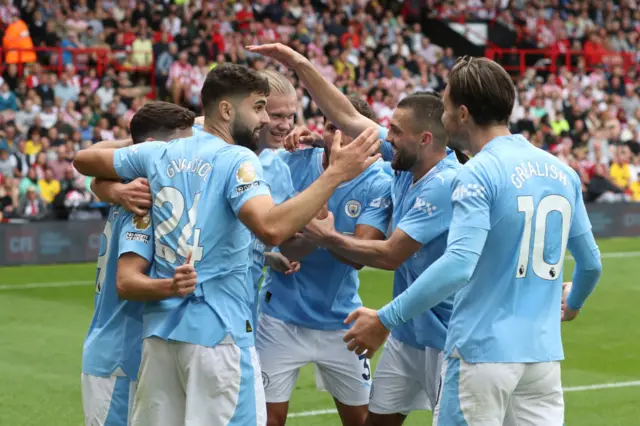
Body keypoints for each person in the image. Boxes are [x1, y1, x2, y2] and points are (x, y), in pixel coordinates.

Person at [73, 63, 381, 426]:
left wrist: (109, 187)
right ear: (226, 110)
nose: (266, 120)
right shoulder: (238, 159)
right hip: (219, 332)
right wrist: (335, 176)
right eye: (260, 108)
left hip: (161, 334)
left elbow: (85, 160)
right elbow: (270, 226)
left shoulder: (161, 152)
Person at [344, 57, 603, 425]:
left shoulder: (476, 173)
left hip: (481, 356)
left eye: (446, 106)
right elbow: (591, 264)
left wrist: (386, 318)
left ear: (462, 114)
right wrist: (573, 302)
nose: (443, 115)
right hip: (542, 361)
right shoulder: (562, 172)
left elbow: (458, 265)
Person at [300, 92, 460, 426]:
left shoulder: (443, 184)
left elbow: (390, 255)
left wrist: (327, 236)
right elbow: (347, 118)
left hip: (448, 340)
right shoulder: (407, 163)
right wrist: (297, 63)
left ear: (424, 138)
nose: (387, 138)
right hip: (408, 334)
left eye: (396, 131)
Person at [256, 96, 393, 426]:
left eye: (348, 129)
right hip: (280, 318)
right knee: (267, 420)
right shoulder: (295, 161)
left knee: (361, 420)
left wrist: (313, 232)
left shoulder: (379, 181)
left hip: (341, 322)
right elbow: (278, 242)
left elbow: (359, 256)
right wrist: (314, 236)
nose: (338, 137)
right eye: (332, 128)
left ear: (366, 136)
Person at [81, 101, 197, 426]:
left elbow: (96, 173)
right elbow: (127, 282)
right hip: (121, 356)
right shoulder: (142, 199)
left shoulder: (131, 187)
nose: (187, 156)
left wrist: (111, 188)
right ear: (150, 148)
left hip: (126, 351)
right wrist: (177, 286)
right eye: (180, 146)